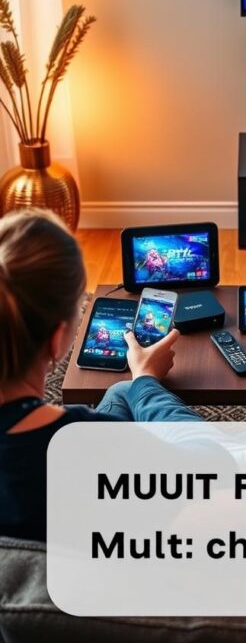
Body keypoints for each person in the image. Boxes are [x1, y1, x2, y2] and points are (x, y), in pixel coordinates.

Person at [0, 209, 208, 542]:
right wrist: (146, 381)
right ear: (57, 338)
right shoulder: (86, 444)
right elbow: (213, 471)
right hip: (110, 579)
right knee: (135, 390)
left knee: (118, 394)